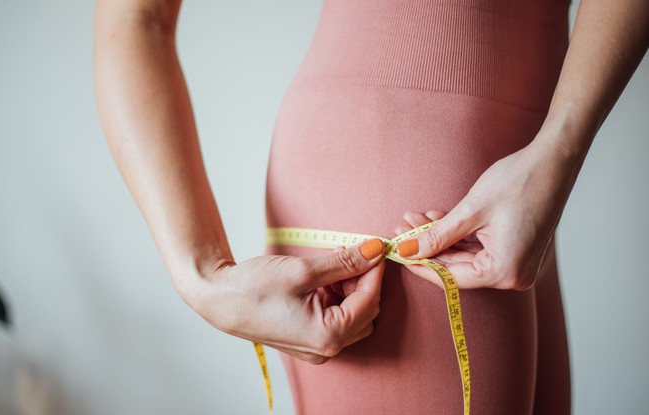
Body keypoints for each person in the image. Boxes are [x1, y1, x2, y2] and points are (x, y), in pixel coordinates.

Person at [93, 0, 648, 413]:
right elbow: (134, 18)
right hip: (396, 176)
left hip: (527, 178)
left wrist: (559, 149)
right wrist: (202, 278)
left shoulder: (545, 163)